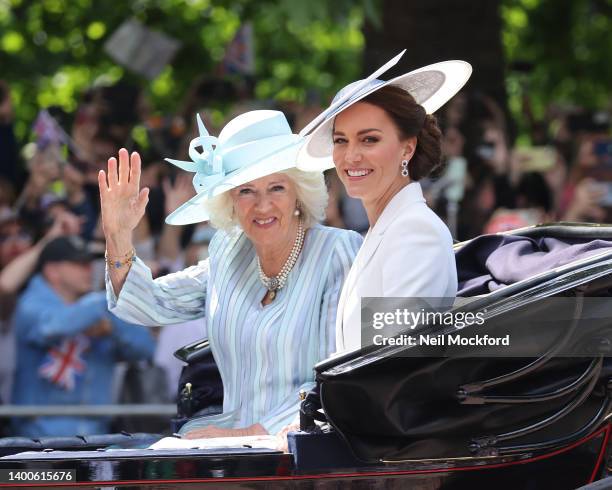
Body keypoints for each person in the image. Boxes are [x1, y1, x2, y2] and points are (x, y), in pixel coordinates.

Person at [99, 110, 362, 438]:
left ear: (298, 192)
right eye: (246, 191)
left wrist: (246, 435)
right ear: (230, 202)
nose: (262, 205)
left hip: (305, 445)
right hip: (229, 446)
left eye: (276, 187)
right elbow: (148, 303)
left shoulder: (337, 250)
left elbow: (337, 376)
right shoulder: (228, 250)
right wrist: (119, 235)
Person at [298, 53, 472, 352]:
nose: (351, 156)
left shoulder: (415, 231)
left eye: (369, 140)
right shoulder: (384, 229)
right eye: (341, 140)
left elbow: (395, 360)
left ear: (407, 147)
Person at [11, 236, 155, 437]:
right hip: (38, 442)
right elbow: (52, 327)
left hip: (96, 438)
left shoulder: (100, 311)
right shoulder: (31, 305)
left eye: (89, 263)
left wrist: (113, 329)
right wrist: (105, 301)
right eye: (78, 264)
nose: (88, 270)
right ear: (52, 271)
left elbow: (145, 349)